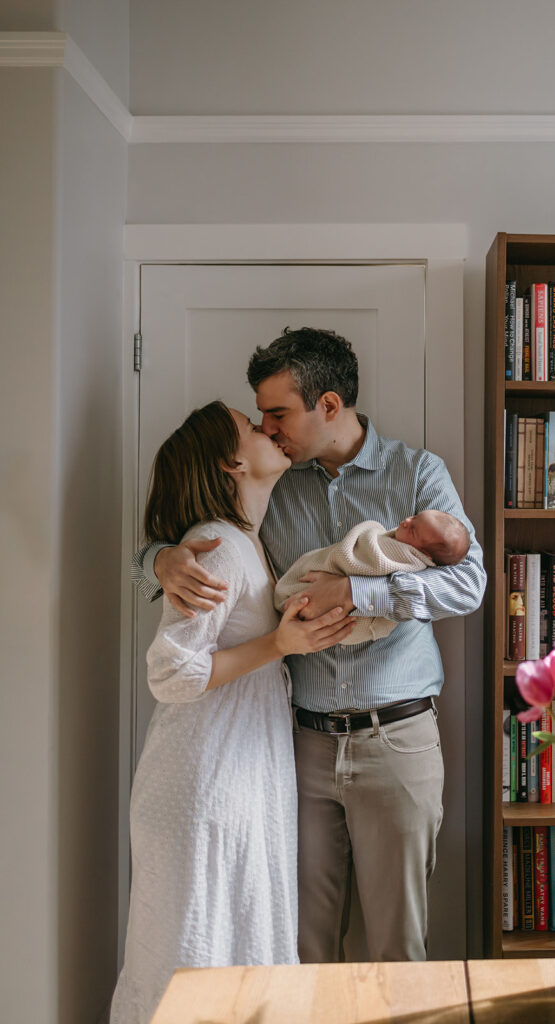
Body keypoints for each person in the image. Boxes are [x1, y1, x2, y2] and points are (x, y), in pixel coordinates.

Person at [132, 326, 486, 963]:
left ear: (328, 405)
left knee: (397, 949)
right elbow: (202, 530)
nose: (269, 430)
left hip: (398, 738)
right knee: (298, 946)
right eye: (261, 417)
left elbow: (469, 581)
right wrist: (158, 559)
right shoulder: (274, 486)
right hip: (299, 745)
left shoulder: (417, 474)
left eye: (278, 413)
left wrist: (358, 596)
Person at [113, 401, 353, 1024]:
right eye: (252, 424)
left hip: (239, 773)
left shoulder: (245, 540)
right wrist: (278, 644)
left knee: (231, 954)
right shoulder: (213, 548)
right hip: (205, 783)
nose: (267, 427)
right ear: (232, 460)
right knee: (197, 959)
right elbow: (171, 672)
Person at [273, 510, 471, 645]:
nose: (406, 521)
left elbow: (467, 589)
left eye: (413, 530)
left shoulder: (404, 558)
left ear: (425, 555)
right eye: (414, 516)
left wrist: (350, 590)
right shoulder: (415, 538)